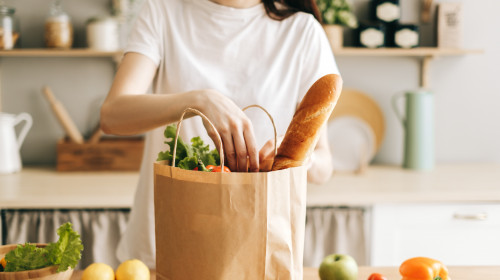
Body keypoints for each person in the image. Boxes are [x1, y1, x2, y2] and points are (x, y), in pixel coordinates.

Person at [100, 0, 340, 268]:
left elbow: (324, 165)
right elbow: (112, 116)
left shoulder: (303, 32)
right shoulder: (163, 10)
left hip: (254, 254)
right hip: (162, 247)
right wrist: (199, 100)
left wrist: (297, 161)